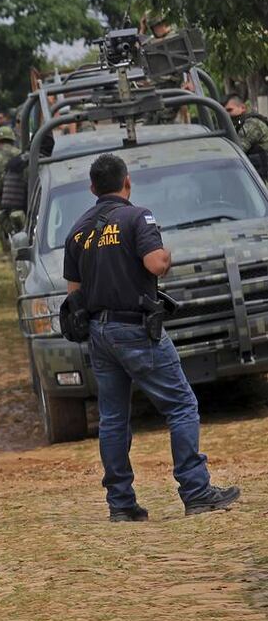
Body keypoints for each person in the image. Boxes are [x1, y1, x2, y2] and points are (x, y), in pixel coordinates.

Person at [63, 153, 240, 520]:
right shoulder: (137, 217)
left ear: (93, 188)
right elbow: (155, 263)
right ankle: (196, 490)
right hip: (136, 329)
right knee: (181, 405)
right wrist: (166, 252)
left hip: (98, 332)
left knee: (112, 419)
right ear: (127, 182)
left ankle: (121, 505)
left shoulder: (77, 230)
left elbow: (73, 290)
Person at [223, 94, 268, 181]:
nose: (227, 114)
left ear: (243, 108)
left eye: (229, 110)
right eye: (224, 112)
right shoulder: (240, 124)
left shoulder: (252, 124)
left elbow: (236, 151)